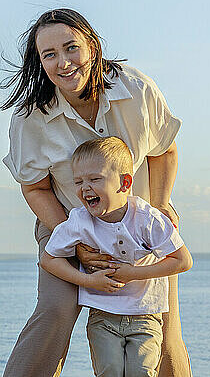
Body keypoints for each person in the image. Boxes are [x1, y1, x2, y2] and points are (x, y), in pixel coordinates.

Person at [0, 8, 191, 376]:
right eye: (49, 55)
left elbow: (164, 149)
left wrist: (159, 207)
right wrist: (76, 239)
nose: (63, 62)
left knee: (163, 328)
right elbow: (35, 187)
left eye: (71, 48)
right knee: (54, 313)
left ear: (92, 46)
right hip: (64, 221)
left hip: (139, 224)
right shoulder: (30, 117)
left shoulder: (135, 89)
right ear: (40, 63)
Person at [40, 137, 193, 377]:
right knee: (109, 371)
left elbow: (183, 260)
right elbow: (48, 260)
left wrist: (133, 274)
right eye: (78, 181)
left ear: (125, 183)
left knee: (141, 372)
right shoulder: (79, 221)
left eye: (94, 179)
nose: (84, 187)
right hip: (103, 315)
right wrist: (89, 281)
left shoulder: (147, 218)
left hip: (145, 314)